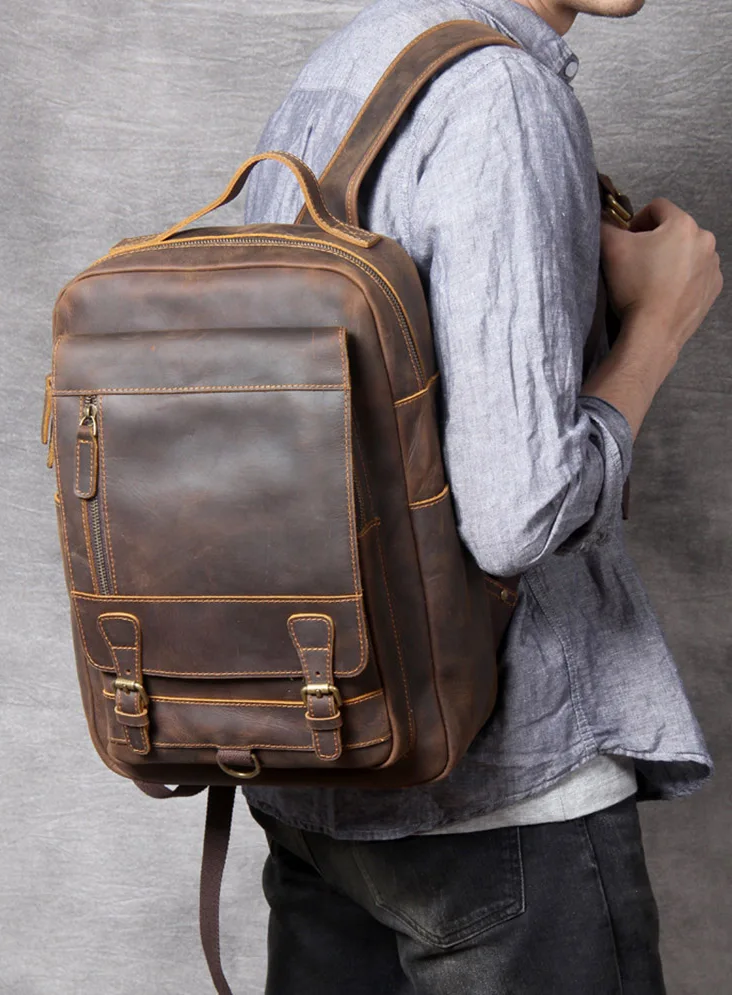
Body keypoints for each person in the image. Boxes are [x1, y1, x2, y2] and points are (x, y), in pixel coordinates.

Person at [241, 1, 723, 992]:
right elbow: (517, 515)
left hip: (319, 767)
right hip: (496, 795)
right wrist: (657, 328)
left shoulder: (341, 66)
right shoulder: (499, 93)